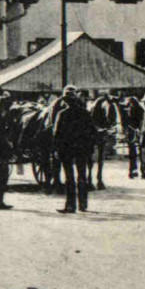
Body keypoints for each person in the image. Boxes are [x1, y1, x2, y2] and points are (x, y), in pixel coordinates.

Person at [53, 85, 93, 214]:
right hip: (81, 149)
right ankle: (83, 204)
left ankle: (70, 205)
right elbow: (92, 133)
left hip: (67, 150)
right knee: (82, 176)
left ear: (65, 101)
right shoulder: (85, 113)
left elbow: (56, 134)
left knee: (69, 178)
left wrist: (57, 150)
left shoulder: (62, 114)